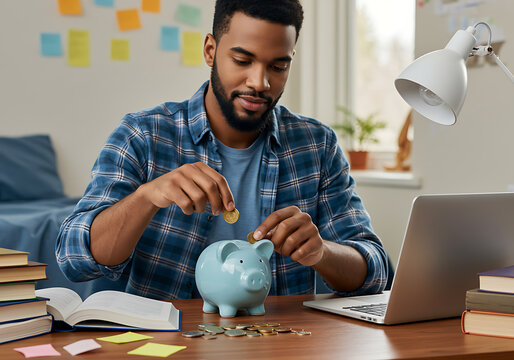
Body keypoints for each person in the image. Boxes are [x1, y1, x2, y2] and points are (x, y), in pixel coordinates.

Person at [56, 0, 389, 300]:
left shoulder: (317, 145)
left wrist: (322, 253)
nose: (260, 82)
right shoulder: (143, 135)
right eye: (243, 60)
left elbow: (375, 271)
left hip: (281, 343)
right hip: (171, 343)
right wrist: (146, 197)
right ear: (210, 50)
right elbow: (74, 258)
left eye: (278, 66)